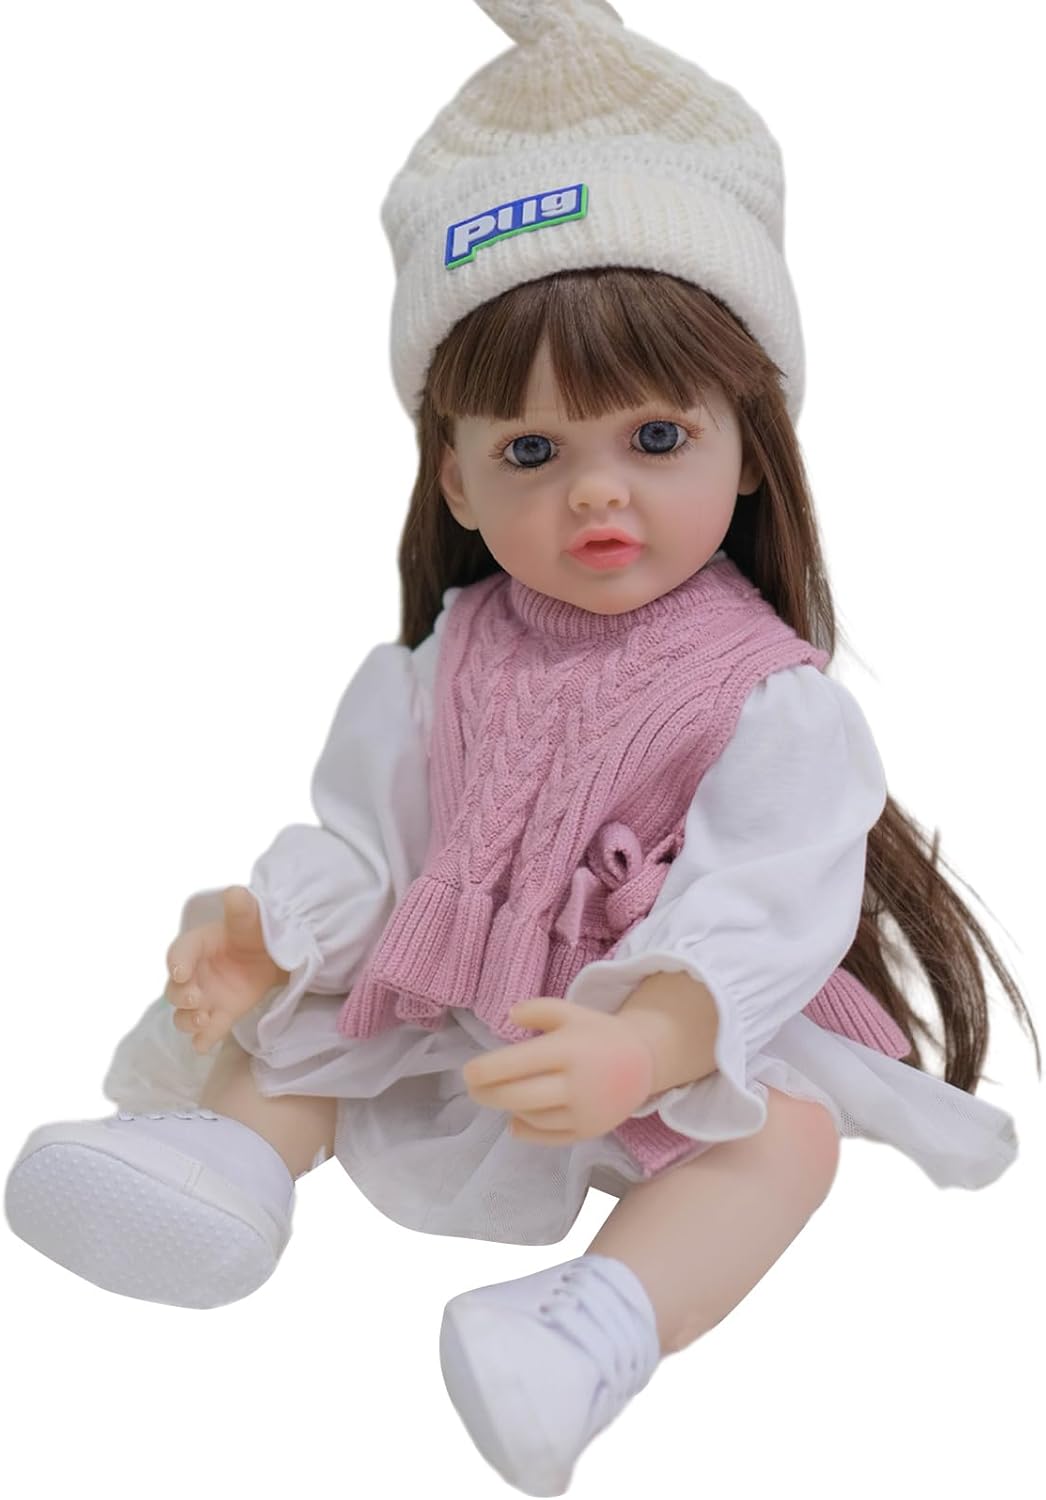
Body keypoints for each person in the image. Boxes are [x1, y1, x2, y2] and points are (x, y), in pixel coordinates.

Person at [5, 3, 1040, 1494]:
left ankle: (588, 1323)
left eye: (655, 440)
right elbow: (377, 848)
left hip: (647, 1029)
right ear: (455, 476)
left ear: (750, 443)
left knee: (785, 1143)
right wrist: (271, 932)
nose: (596, 497)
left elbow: (766, 904)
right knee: (313, 1023)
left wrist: (652, 1040)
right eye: (532, 453)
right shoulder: (435, 664)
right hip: (450, 1002)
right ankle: (219, 1170)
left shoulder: (770, 701)